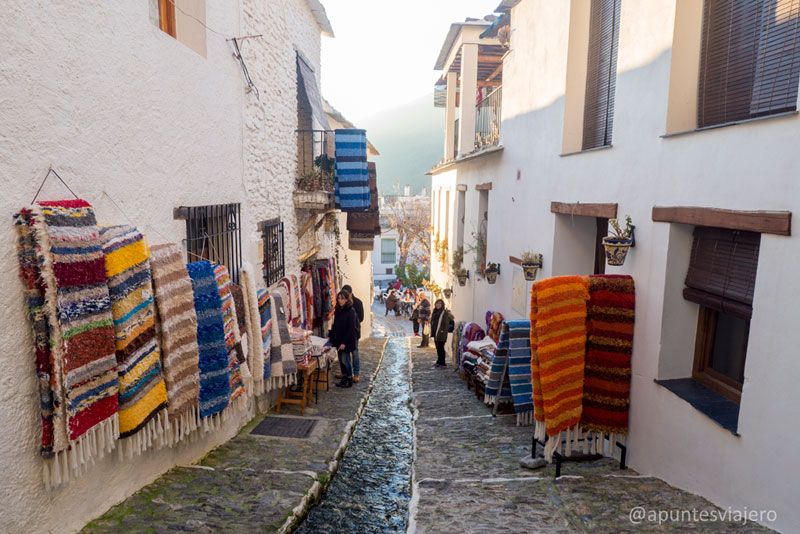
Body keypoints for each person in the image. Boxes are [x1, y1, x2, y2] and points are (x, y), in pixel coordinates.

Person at [328, 290, 359, 388]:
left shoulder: (351, 311)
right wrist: (332, 336)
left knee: (346, 360)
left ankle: (349, 379)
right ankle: (344, 378)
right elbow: (335, 325)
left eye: (343, 298)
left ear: (347, 299)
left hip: (347, 340)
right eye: (339, 298)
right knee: (341, 360)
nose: (340, 300)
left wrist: (344, 342)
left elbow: (351, 328)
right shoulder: (338, 310)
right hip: (339, 339)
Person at [342, 284, 363, 383]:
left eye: (346, 294)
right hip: (344, 333)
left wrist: (352, 322)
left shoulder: (358, 303)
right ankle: (347, 373)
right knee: (345, 354)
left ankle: (357, 374)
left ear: (350, 293)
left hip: (354, 333)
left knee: (355, 353)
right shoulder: (343, 303)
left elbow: (361, 318)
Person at [430, 299, 454, 367]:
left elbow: (446, 324)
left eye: (440, 303)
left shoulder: (444, 312)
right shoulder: (435, 312)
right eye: (437, 303)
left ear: (442, 305)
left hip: (441, 333)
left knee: (441, 348)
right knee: (438, 348)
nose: (438, 305)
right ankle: (439, 361)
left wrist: (443, 332)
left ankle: (443, 363)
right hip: (435, 333)